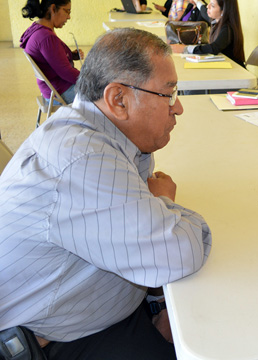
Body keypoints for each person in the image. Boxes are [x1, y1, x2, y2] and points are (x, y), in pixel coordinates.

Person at [0, 28, 212, 359]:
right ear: (118, 99)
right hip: (52, 341)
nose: (178, 107)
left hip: (88, 308)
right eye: (168, 94)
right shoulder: (85, 157)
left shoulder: (112, 137)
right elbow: (178, 252)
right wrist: (164, 203)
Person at [20, 0, 82, 104]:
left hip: (51, 89)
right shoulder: (46, 37)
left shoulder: (36, 29)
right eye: (67, 11)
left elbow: (51, 58)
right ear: (53, 8)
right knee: (105, 93)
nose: (68, 17)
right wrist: (90, 80)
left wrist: (70, 55)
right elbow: (66, 73)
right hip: (60, 92)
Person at [171, 0, 245, 68]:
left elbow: (214, 48)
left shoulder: (227, 28)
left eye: (212, 6)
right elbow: (203, 10)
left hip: (235, 71)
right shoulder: (216, 20)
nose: (207, 6)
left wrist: (185, 49)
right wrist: (197, 2)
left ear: (223, 11)